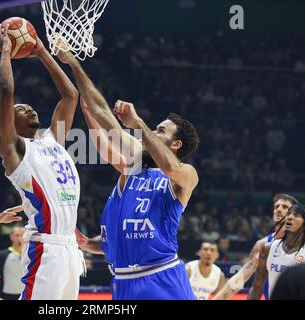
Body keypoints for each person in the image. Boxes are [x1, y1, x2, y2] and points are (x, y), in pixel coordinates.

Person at [59, 49, 200, 299]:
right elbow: (102, 111)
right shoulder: (134, 164)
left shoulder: (185, 175)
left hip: (161, 277)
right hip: (122, 282)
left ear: (176, 145)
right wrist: (73, 63)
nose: (154, 133)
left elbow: (170, 168)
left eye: (161, 131)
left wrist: (139, 125)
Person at [0, 26, 84, 300]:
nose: (29, 107)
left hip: (69, 248)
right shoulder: (14, 149)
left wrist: (42, 51)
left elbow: (71, 96)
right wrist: (7, 53)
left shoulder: (52, 139)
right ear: (9, 119)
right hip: (45, 247)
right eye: (21, 109)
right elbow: (6, 92)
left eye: (29, 106)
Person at [213, 193, 305, 300]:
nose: (278, 209)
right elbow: (240, 278)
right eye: (276, 206)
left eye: (285, 207)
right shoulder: (263, 245)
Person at [248, 204, 305, 300]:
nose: (290, 217)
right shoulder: (268, 248)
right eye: (288, 214)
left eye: (296, 215)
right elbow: (257, 287)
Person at [0, 225, 26, 300]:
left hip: (26, 295)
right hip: (8, 296)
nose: (20, 238)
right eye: (17, 235)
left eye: (22, 235)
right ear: (11, 237)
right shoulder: (3, 255)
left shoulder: (31, 255)